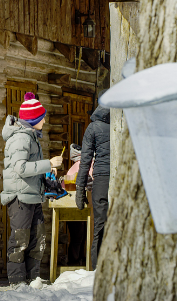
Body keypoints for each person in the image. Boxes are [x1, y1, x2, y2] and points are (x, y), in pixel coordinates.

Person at [1, 92, 63, 285]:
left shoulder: (31, 137)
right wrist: (48, 163)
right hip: (20, 197)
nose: (44, 120)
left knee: (37, 240)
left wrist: (49, 175)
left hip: (32, 196)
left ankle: (32, 280)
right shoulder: (21, 138)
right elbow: (20, 168)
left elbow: (30, 168)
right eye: (42, 117)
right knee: (20, 241)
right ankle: (18, 284)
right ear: (34, 118)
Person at [75, 99, 110, 270]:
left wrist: (80, 189)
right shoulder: (124, 122)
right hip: (121, 178)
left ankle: (97, 271)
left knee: (100, 227)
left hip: (102, 179)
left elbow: (85, 161)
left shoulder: (93, 128)